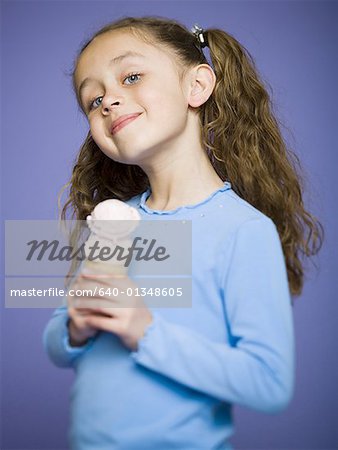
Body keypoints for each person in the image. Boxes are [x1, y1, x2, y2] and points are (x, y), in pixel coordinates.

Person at [43, 16, 324, 450]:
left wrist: (145, 331)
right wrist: (74, 328)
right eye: (93, 99)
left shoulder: (243, 231)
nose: (108, 101)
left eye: (131, 76)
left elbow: (268, 383)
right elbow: (58, 342)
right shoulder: (110, 223)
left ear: (197, 86)